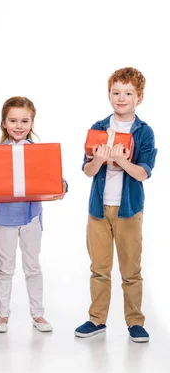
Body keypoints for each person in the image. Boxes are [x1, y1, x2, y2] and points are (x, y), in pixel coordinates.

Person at [0, 96, 67, 333]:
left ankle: (38, 314)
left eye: (24, 121)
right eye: (13, 120)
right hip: (4, 217)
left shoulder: (38, 152)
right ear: (3, 123)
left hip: (32, 216)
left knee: (33, 266)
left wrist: (62, 186)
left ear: (32, 123)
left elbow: (53, 175)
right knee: (5, 267)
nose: (19, 126)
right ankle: (2, 315)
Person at [74, 67, 157, 342]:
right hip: (98, 209)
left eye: (128, 93)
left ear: (139, 97)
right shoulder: (98, 128)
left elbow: (143, 173)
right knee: (99, 268)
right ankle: (97, 319)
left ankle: (135, 322)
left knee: (131, 270)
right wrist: (98, 159)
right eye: (116, 92)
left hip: (128, 210)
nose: (121, 98)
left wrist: (121, 160)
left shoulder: (144, 132)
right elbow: (87, 171)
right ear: (109, 94)